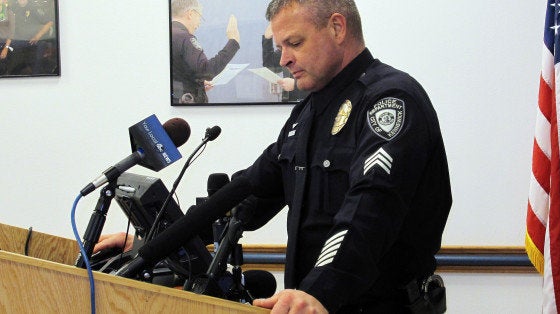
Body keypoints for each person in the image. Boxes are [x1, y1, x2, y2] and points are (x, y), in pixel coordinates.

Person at [99, 0, 451, 312]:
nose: (283, 59)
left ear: (337, 27)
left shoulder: (389, 101)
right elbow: (246, 195)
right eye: (280, 46)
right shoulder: (308, 113)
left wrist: (319, 292)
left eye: (294, 43)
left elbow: (371, 209)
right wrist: (158, 243)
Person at [170, 0, 240, 104]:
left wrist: (198, 85)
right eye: (199, 17)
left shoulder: (167, 35)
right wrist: (233, 42)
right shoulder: (184, 38)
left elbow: (178, 76)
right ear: (191, 14)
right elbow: (206, 71)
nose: (199, 23)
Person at [5, 0, 56, 75]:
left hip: (34, 41)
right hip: (18, 40)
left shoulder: (34, 7)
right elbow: (9, 27)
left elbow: (49, 22)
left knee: (41, 46)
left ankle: (36, 75)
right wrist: (6, 46)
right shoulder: (13, 7)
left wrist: (38, 36)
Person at [262, 24, 309, 102]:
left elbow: (323, 83)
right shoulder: (287, 47)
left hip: (307, 104)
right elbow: (271, 65)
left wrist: (295, 85)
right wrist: (267, 39)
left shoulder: (313, 49)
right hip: (287, 103)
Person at [0, 0, 15, 75]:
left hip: (4, 44)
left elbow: (11, 32)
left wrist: (6, 48)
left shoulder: (9, 13)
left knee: (3, 70)